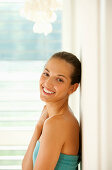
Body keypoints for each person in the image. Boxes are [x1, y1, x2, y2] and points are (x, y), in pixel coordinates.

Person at [22, 51, 81, 170]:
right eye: (46, 74)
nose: (47, 83)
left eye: (59, 79)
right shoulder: (53, 116)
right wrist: (39, 126)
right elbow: (26, 167)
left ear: (72, 88)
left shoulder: (56, 123)